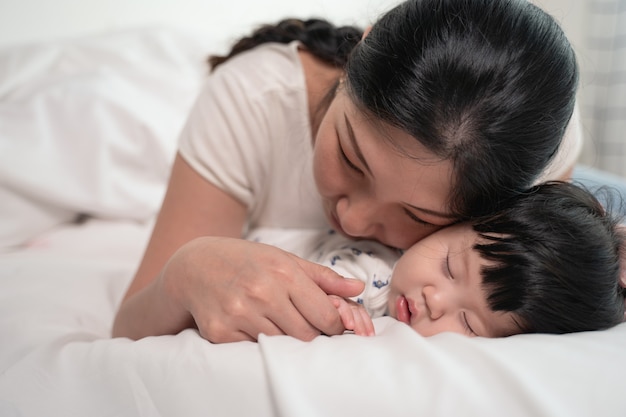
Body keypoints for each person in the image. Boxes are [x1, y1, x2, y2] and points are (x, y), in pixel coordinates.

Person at [112, 0, 583, 342]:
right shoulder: (253, 101)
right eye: (351, 159)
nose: (354, 221)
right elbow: (128, 328)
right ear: (359, 50)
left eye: (418, 216)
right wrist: (184, 273)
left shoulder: (539, 155)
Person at [250, 182, 626, 338]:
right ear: (458, 220)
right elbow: (302, 287)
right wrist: (336, 306)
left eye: (469, 323)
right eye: (449, 267)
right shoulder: (369, 273)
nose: (435, 299)